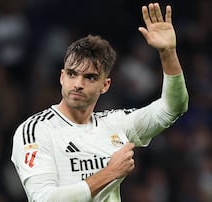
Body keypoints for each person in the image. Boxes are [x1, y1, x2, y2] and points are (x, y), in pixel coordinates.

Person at [11, 2, 188, 201]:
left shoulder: (116, 123)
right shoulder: (36, 130)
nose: (78, 84)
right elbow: (44, 199)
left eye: (90, 77)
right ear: (62, 77)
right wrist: (110, 172)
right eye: (72, 74)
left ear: (105, 85)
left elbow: (172, 108)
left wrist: (168, 53)